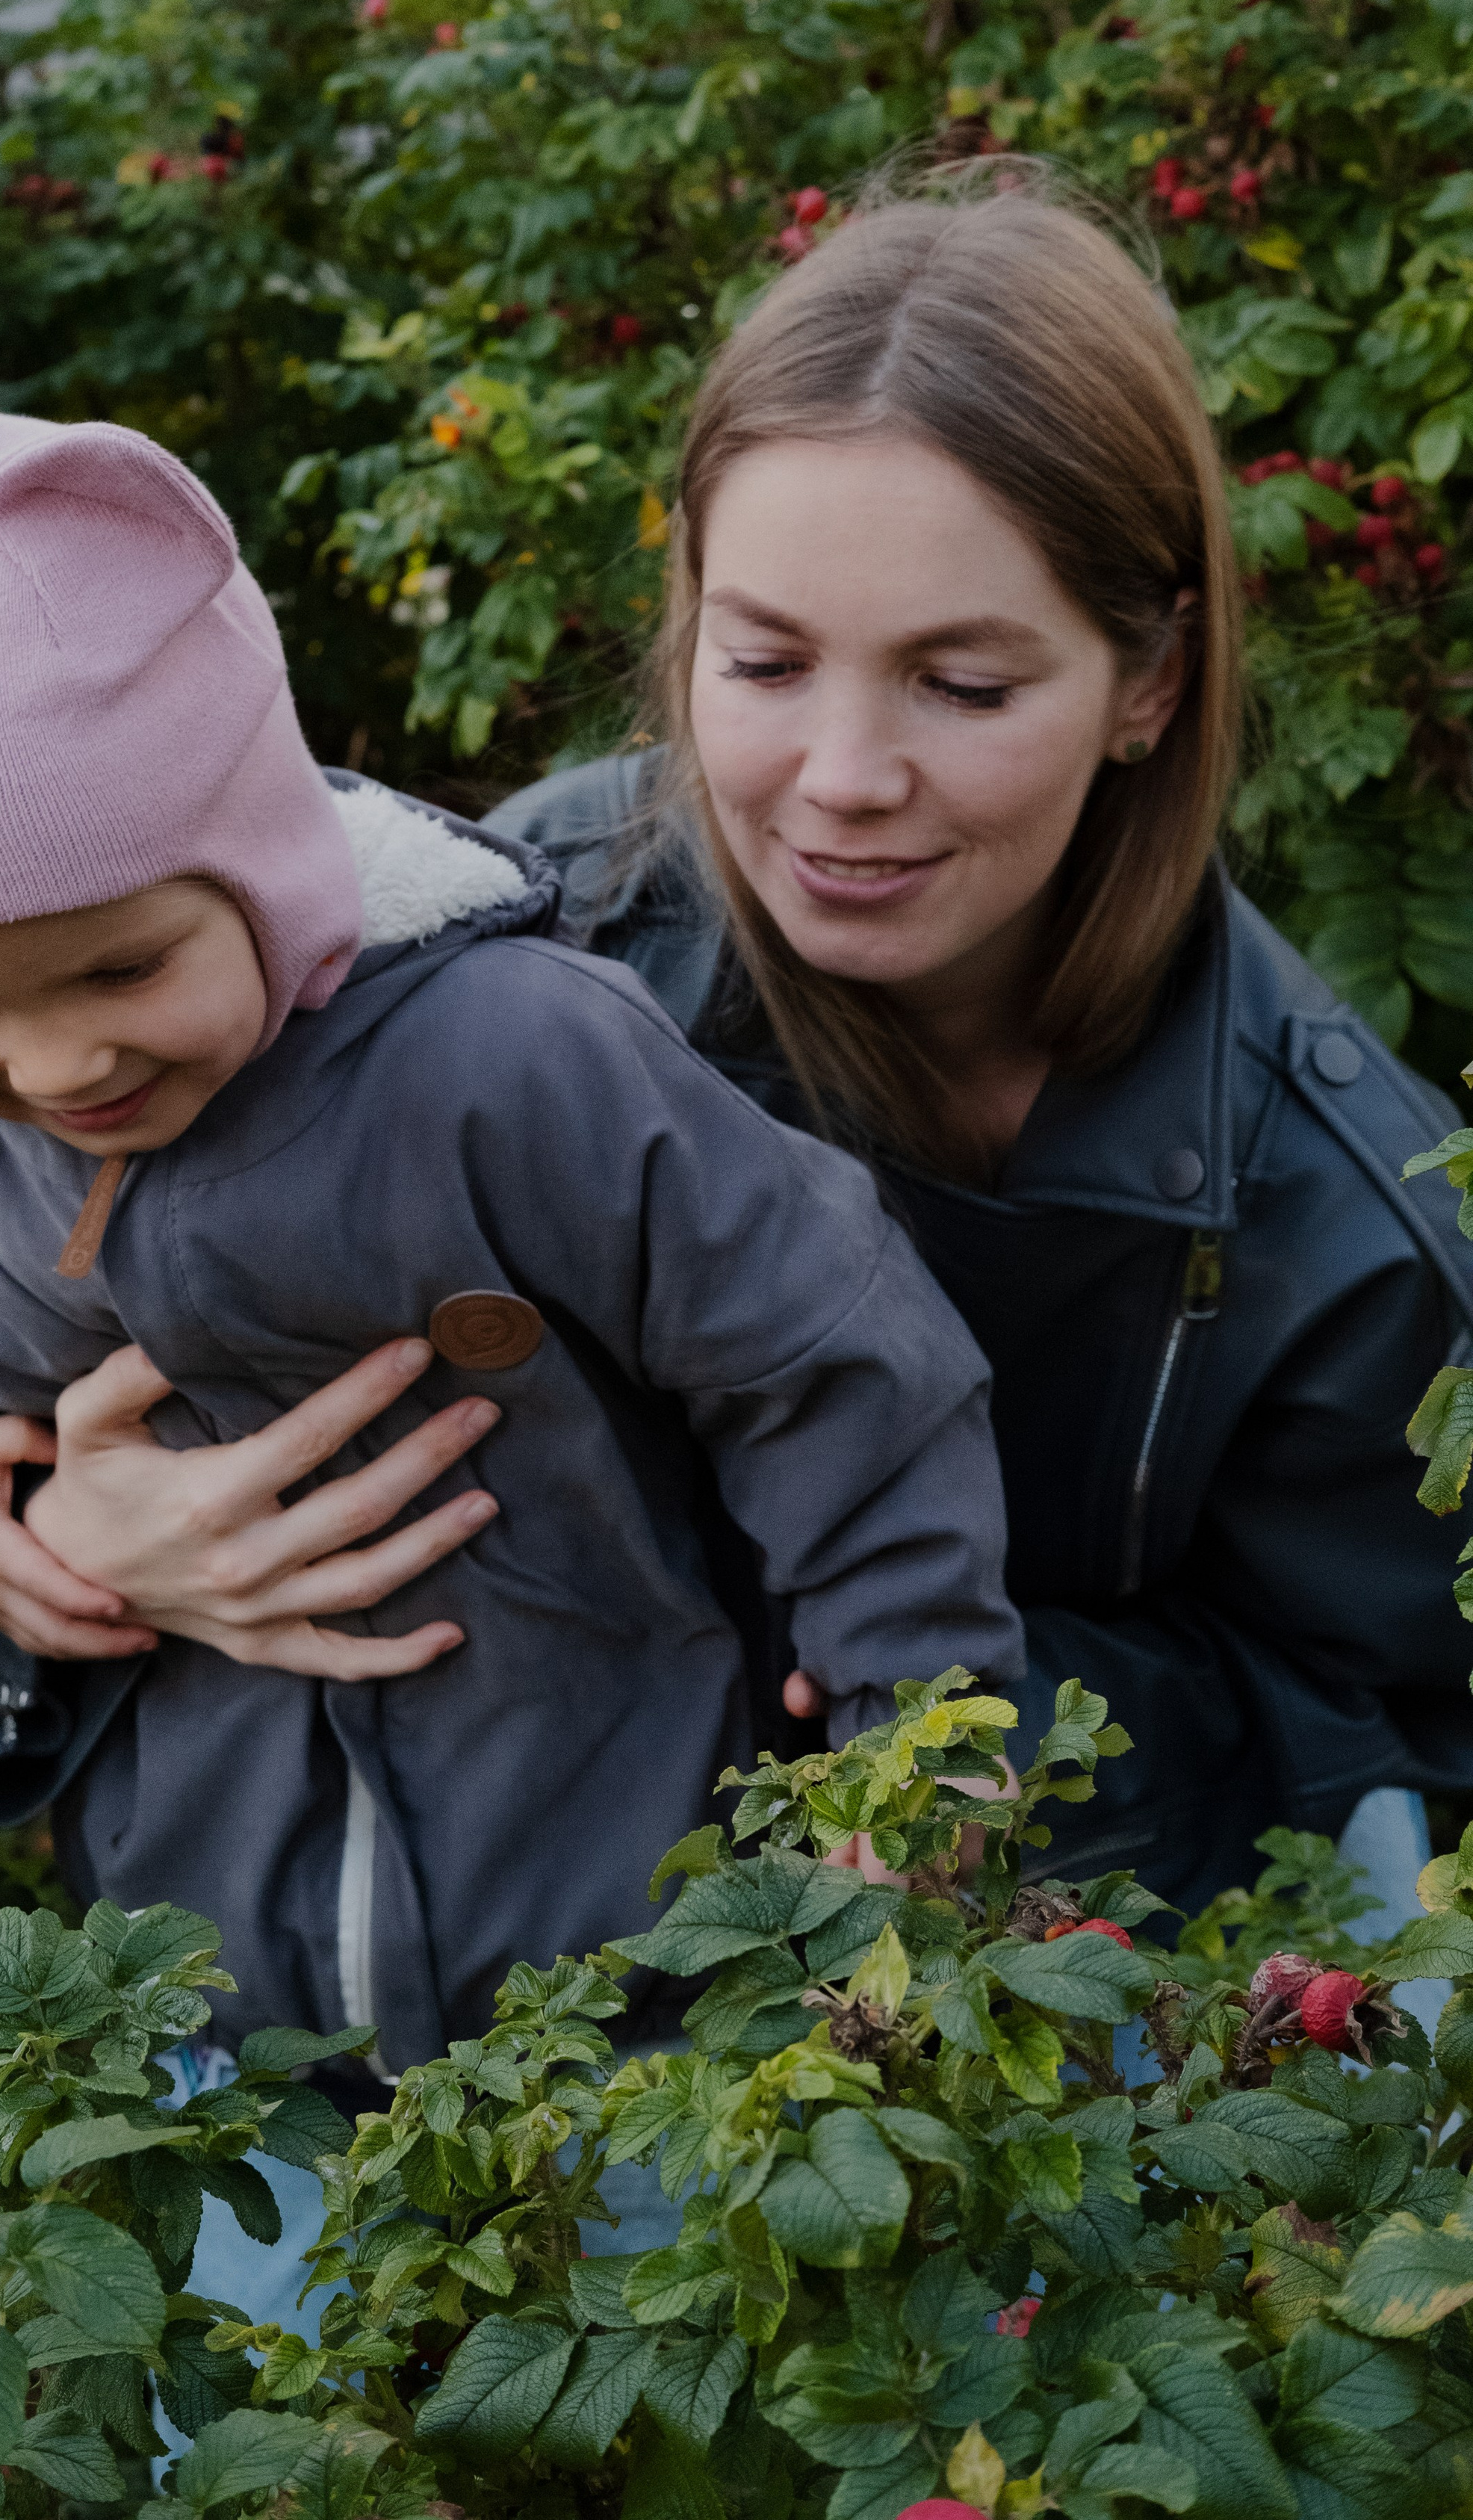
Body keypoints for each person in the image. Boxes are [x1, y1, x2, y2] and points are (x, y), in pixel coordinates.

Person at [0, 401, 1020, 2095]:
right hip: (194, 2014)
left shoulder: (505, 1063)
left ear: (258, 865)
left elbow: (828, 1357)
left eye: (120, 972)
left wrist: (919, 1737)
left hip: (639, 1984)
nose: (55, 1066)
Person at [489, 173, 1473, 1918]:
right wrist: (22, 1500)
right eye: (766, 660)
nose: (845, 777)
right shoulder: (519, 956)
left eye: (962, 686)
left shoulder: (1340, 1222)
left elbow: (1386, 1715)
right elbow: (105, 1179)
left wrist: (993, 1734)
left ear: (1145, 684)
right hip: (503, 1956)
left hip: (1042, 1959)